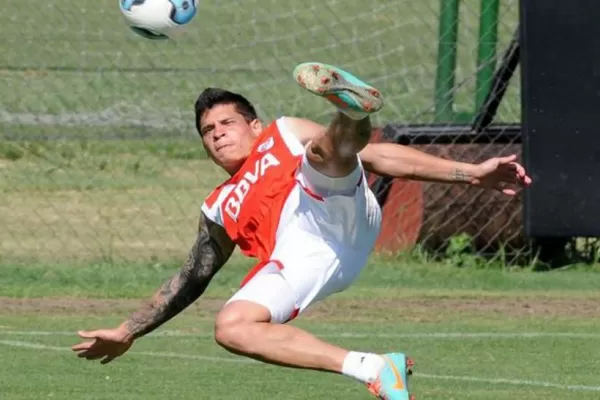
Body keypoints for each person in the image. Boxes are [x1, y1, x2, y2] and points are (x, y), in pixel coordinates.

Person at [72, 62, 531, 399]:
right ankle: (372, 368)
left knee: (319, 155)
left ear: (253, 125)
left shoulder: (281, 133)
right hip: (302, 258)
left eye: (226, 123)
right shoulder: (217, 205)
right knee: (231, 328)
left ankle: (350, 111)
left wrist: (471, 173)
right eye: (207, 130)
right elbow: (191, 278)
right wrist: (128, 330)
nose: (216, 134)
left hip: (330, 209)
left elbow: (381, 158)